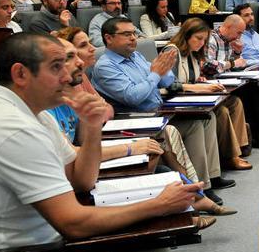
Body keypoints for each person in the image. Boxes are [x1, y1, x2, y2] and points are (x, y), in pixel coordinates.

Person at [0, 33, 242, 252]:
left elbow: (82, 181)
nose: (69, 73)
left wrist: (92, 127)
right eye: (56, 66)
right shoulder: (14, 129)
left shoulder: (33, 116)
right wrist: (158, 205)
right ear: (20, 74)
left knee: (148, 248)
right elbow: (74, 223)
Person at [90, 17, 234, 205]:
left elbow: (167, 82)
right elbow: (133, 97)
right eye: (126, 34)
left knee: (206, 118)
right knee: (196, 126)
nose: (133, 38)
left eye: (134, 33)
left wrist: (163, 69)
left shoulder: (136, 56)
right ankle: (202, 187)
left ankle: (211, 177)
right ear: (108, 38)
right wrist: (156, 72)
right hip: (139, 121)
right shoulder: (105, 66)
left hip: (159, 113)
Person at [165, 18, 252, 171]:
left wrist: (200, 81)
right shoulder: (172, 51)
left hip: (191, 97)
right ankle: (230, 157)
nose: (201, 43)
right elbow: (170, 85)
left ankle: (238, 149)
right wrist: (198, 88)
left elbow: (193, 77)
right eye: (198, 39)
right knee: (222, 112)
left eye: (204, 40)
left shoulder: (193, 53)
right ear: (186, 35)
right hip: (177, 103)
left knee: (234, 101)